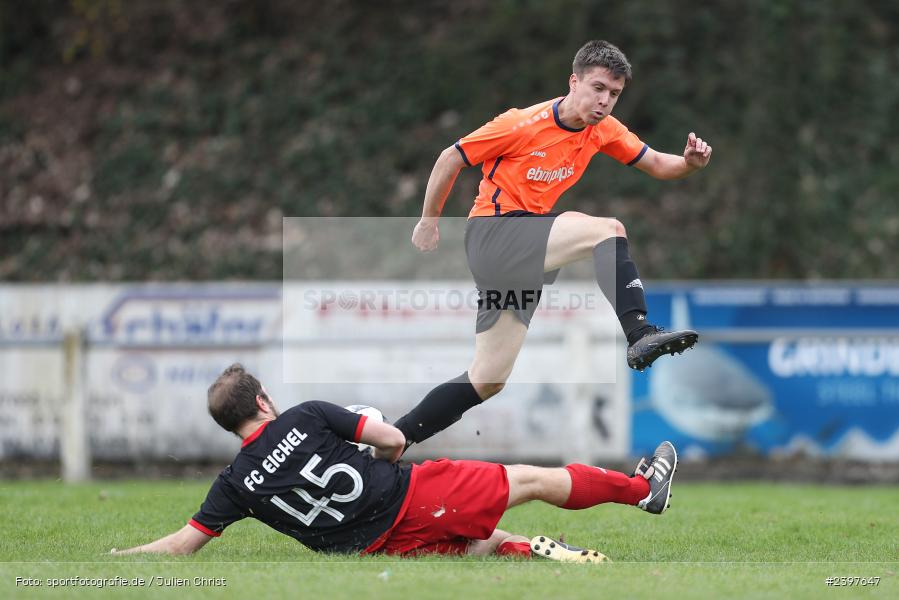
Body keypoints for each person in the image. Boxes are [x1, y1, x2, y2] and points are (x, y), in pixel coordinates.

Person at [394, 40, 712, 450]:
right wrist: (428, 221)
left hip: (521, 251)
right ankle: (639, 333)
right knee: (606, 229)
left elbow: (655, 163)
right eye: (598, 88)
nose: (605, 101)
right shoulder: (520, 124)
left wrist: (688, 164)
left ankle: (394, 438)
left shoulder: (603, 129)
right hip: (493, 234)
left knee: (488, 378)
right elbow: (450, 157)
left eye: (614, 94)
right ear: (573, 82)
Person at [112, 364, 678, 562]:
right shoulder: (306, 415)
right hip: (407, 498)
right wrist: (376, 453)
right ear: (262, 401)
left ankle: (543, 554)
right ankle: (641, 490)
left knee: (481, 544)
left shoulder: (234, 483)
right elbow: (392, 439)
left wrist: (121, 558)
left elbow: (182, 545)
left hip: (369, 549)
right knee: (528, 480)